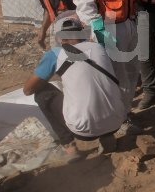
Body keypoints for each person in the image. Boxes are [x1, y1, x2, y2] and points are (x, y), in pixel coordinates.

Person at [22, 12, 127, 156]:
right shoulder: (99, 47)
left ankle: (68, 144)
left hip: (83, 129)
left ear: (60, 37)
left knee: (42, 93)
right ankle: (107, 137)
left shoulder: (56, 54)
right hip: (116, 120)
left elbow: (27, 90)